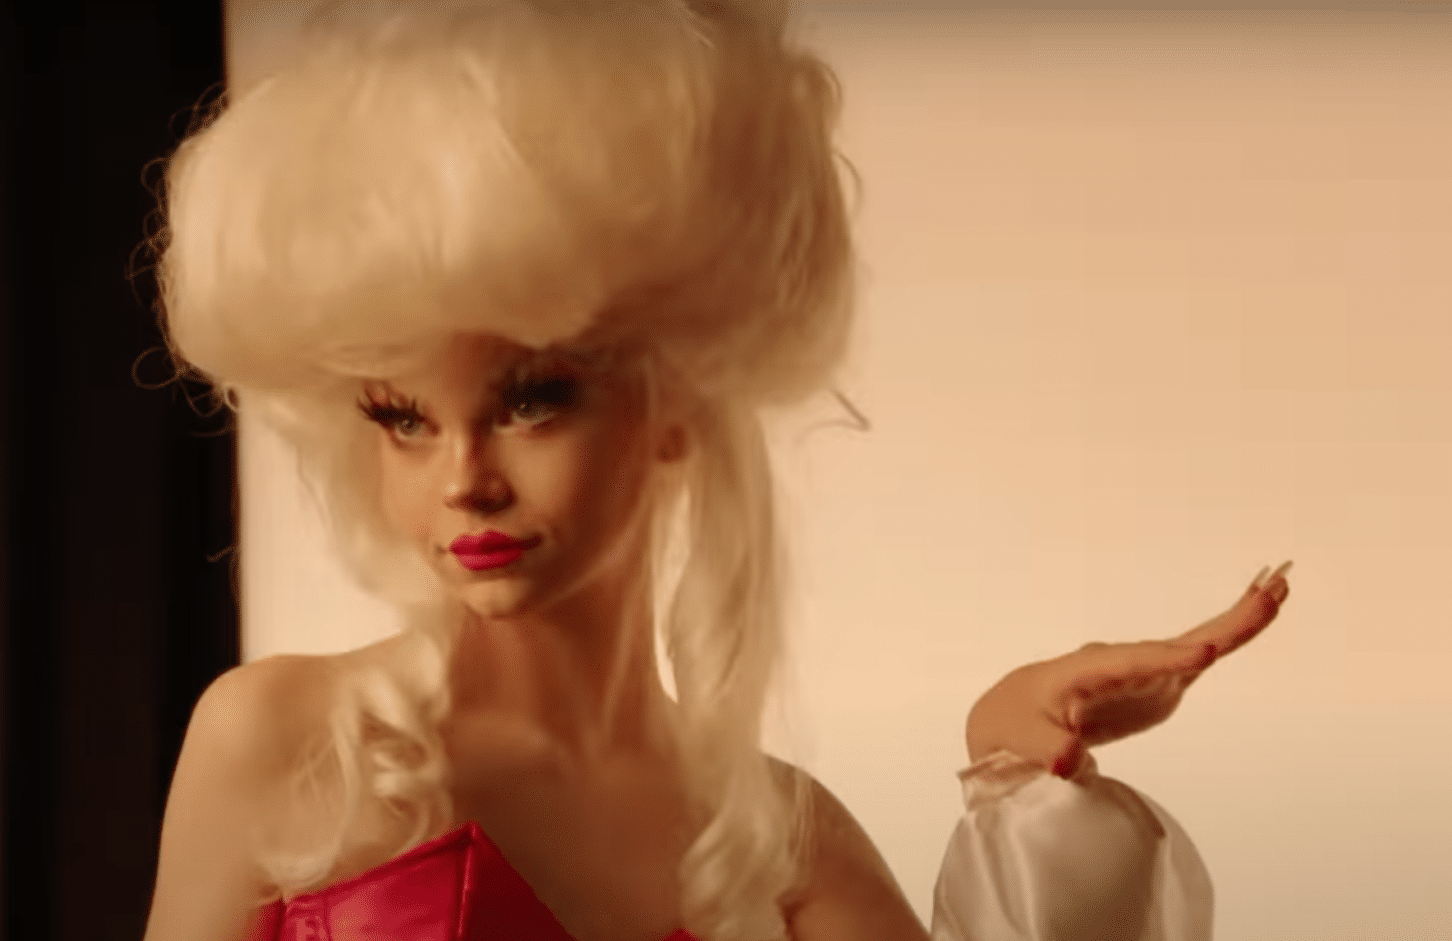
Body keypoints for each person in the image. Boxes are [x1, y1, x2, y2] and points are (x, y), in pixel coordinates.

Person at [140, 1, 1292, 939]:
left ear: (680, 395)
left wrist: (1016, 773)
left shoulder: (782, 840)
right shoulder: (279, 741)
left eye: (532, 399)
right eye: (402, 418)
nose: (464, 477)